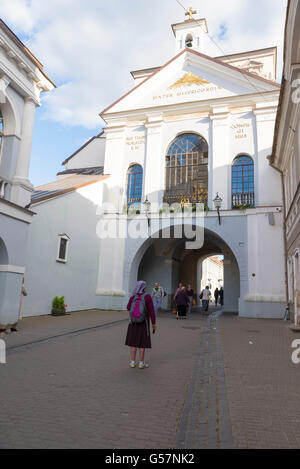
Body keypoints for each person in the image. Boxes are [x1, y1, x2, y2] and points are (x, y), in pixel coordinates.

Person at [125, 281, 156, 369]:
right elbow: (152, 311)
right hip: (144, 323)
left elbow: (128, 307)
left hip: (133, 323)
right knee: (142, 343)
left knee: (133, 342)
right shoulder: (147, 296)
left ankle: (132, 362)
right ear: (144, 287)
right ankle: (141, 363)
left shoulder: (133, 296)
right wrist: (153, 323)